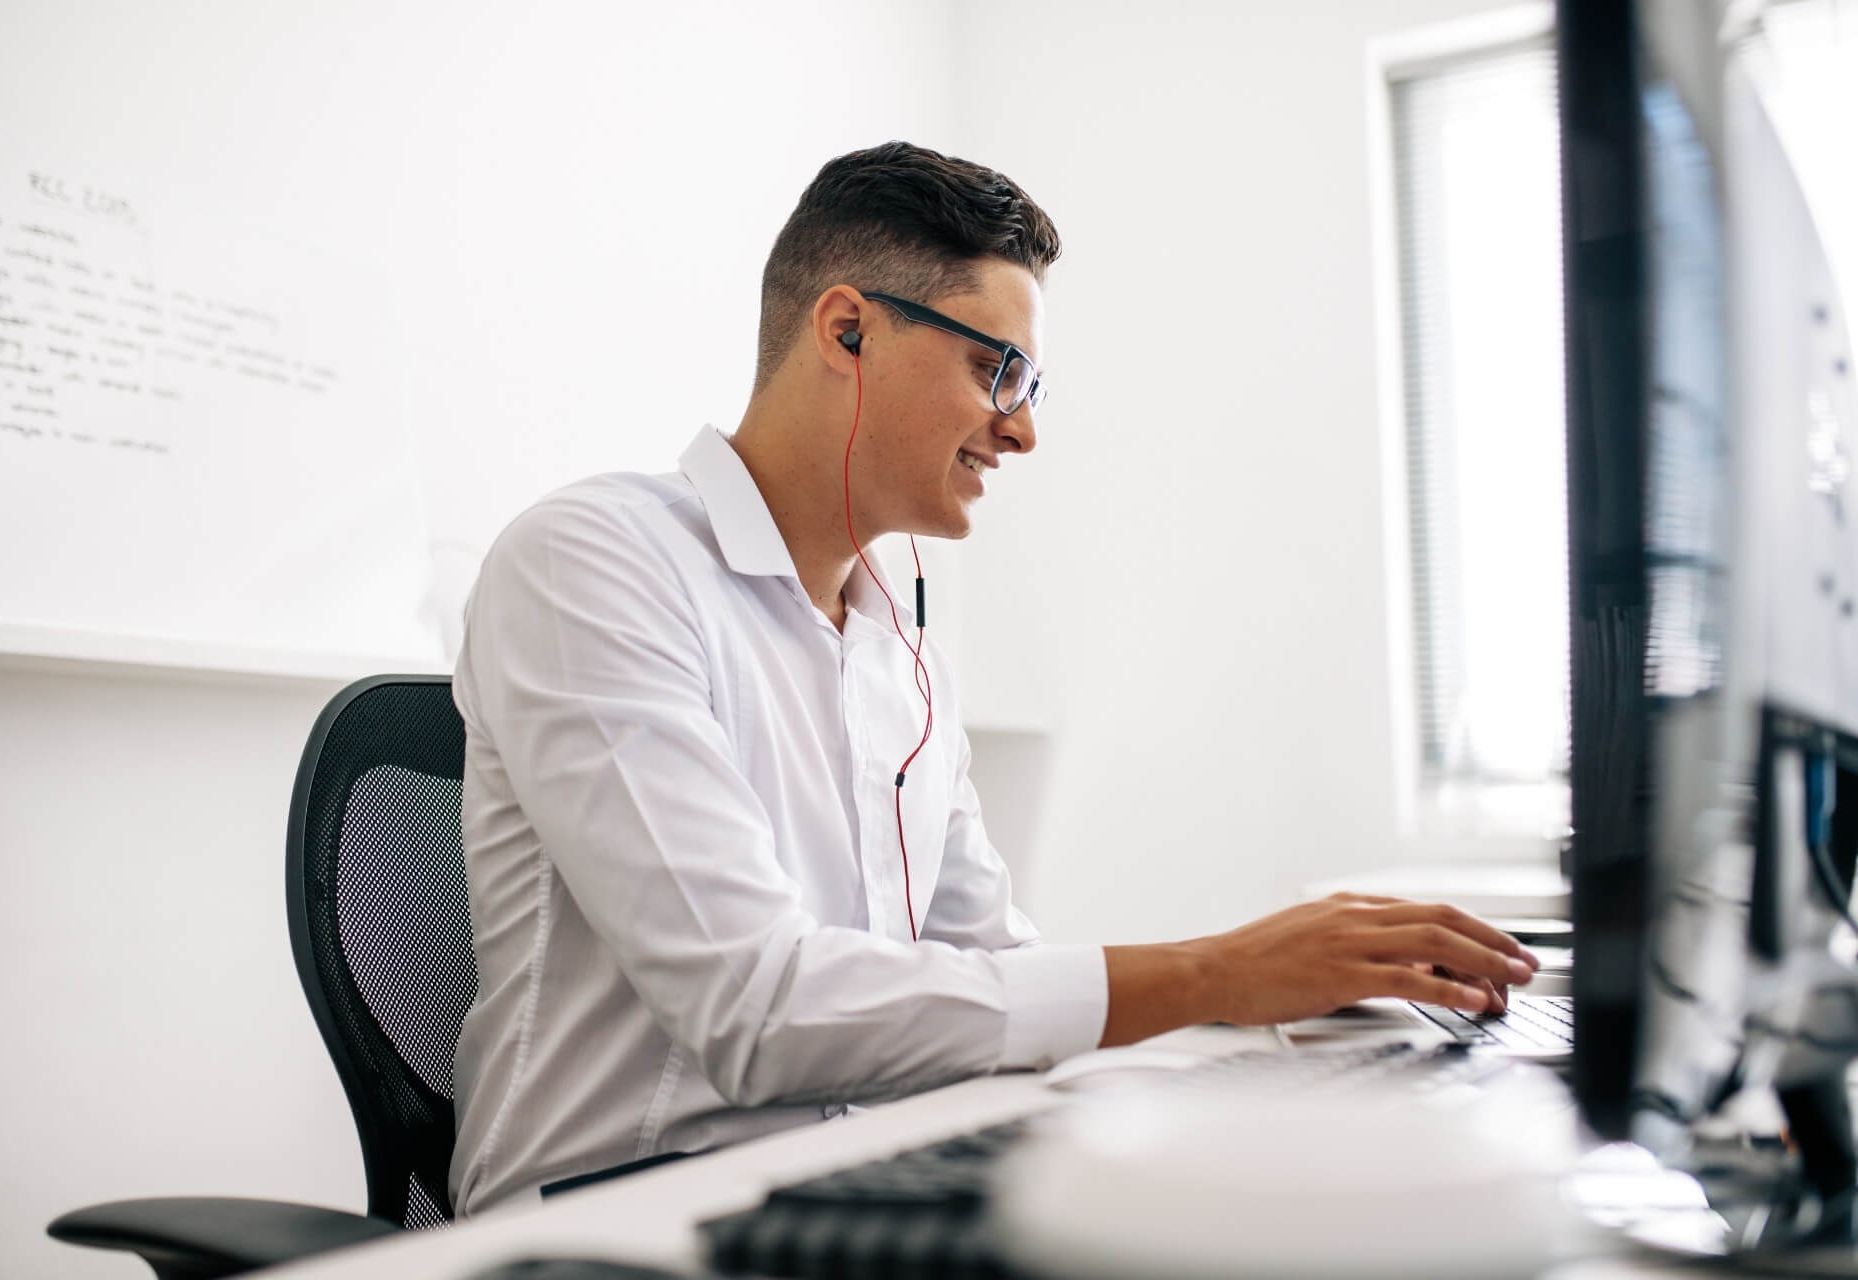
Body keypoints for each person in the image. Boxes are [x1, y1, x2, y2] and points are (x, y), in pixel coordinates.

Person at [446, 141, 1539, 1215]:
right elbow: (756, 1005)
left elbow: (998, 976)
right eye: (995, 368)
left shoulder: (900, 648)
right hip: (615, 1214)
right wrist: (1217, 973)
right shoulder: (593, 561)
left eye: (1033, 384)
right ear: (847, 329)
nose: (1020, 428)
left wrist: (1252, 1044)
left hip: (858, 1176)